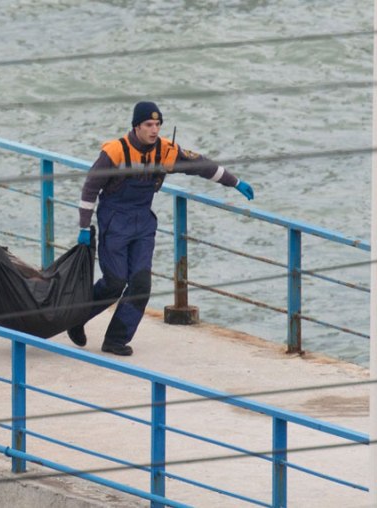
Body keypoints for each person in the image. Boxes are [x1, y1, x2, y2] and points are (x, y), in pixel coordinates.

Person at [68, 101, 254, 356]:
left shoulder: (166, 151)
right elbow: (91, 187)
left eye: (158, 124)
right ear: (136, 126)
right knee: (115, 281)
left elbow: (201, 165)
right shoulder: (115, 152)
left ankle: (116, 340)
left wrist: (235, 182)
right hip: (115, 220)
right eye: (148, 125)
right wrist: (84, 226)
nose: (154, 130)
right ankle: (76, 318)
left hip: (143, 223)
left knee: (141, 284)